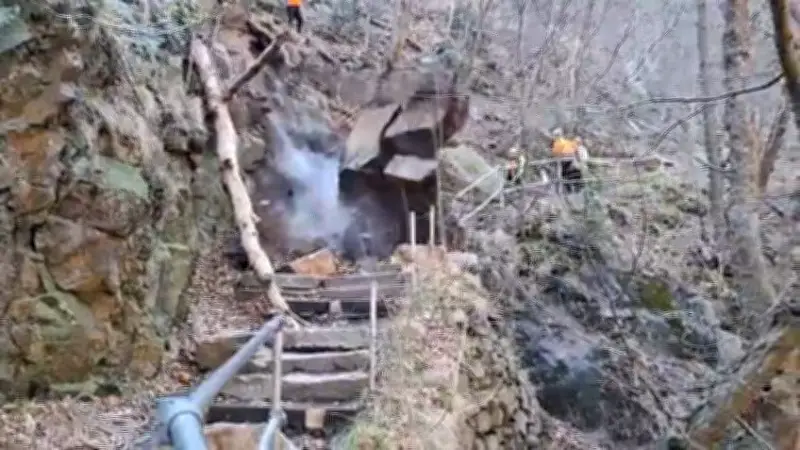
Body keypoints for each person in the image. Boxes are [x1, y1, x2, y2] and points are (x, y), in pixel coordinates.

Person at [550, 128, 585, 193]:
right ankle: (573, 190)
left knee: (569, 177)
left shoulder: (561, 143)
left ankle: (572, 190)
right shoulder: (563, 143)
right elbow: (575, 151)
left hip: (567, 164)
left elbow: (555, 155)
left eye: (556, 135)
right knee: (570, 177)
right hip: (567, 163)